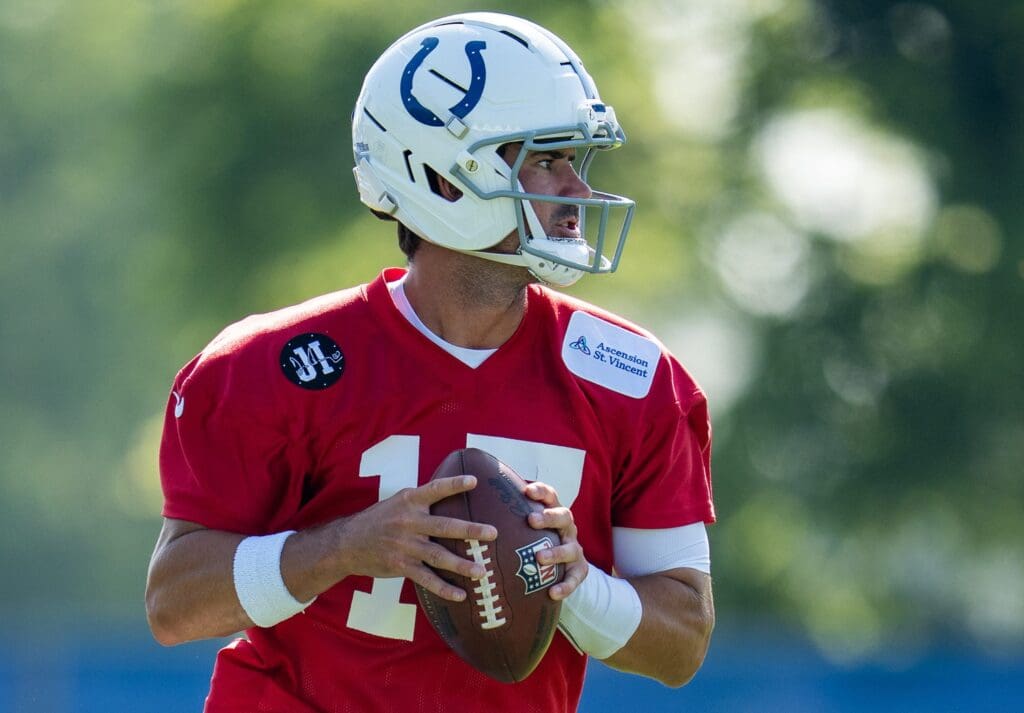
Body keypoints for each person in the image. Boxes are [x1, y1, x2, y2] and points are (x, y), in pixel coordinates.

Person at [146, 11, 715, 713]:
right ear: (446, 181)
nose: (575, 190)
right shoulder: (275, 365)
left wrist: (575, 582)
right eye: (543, 158)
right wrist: (344, 545)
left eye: (574, 160)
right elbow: (175, 603)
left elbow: (683, 640)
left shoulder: (632, 378)